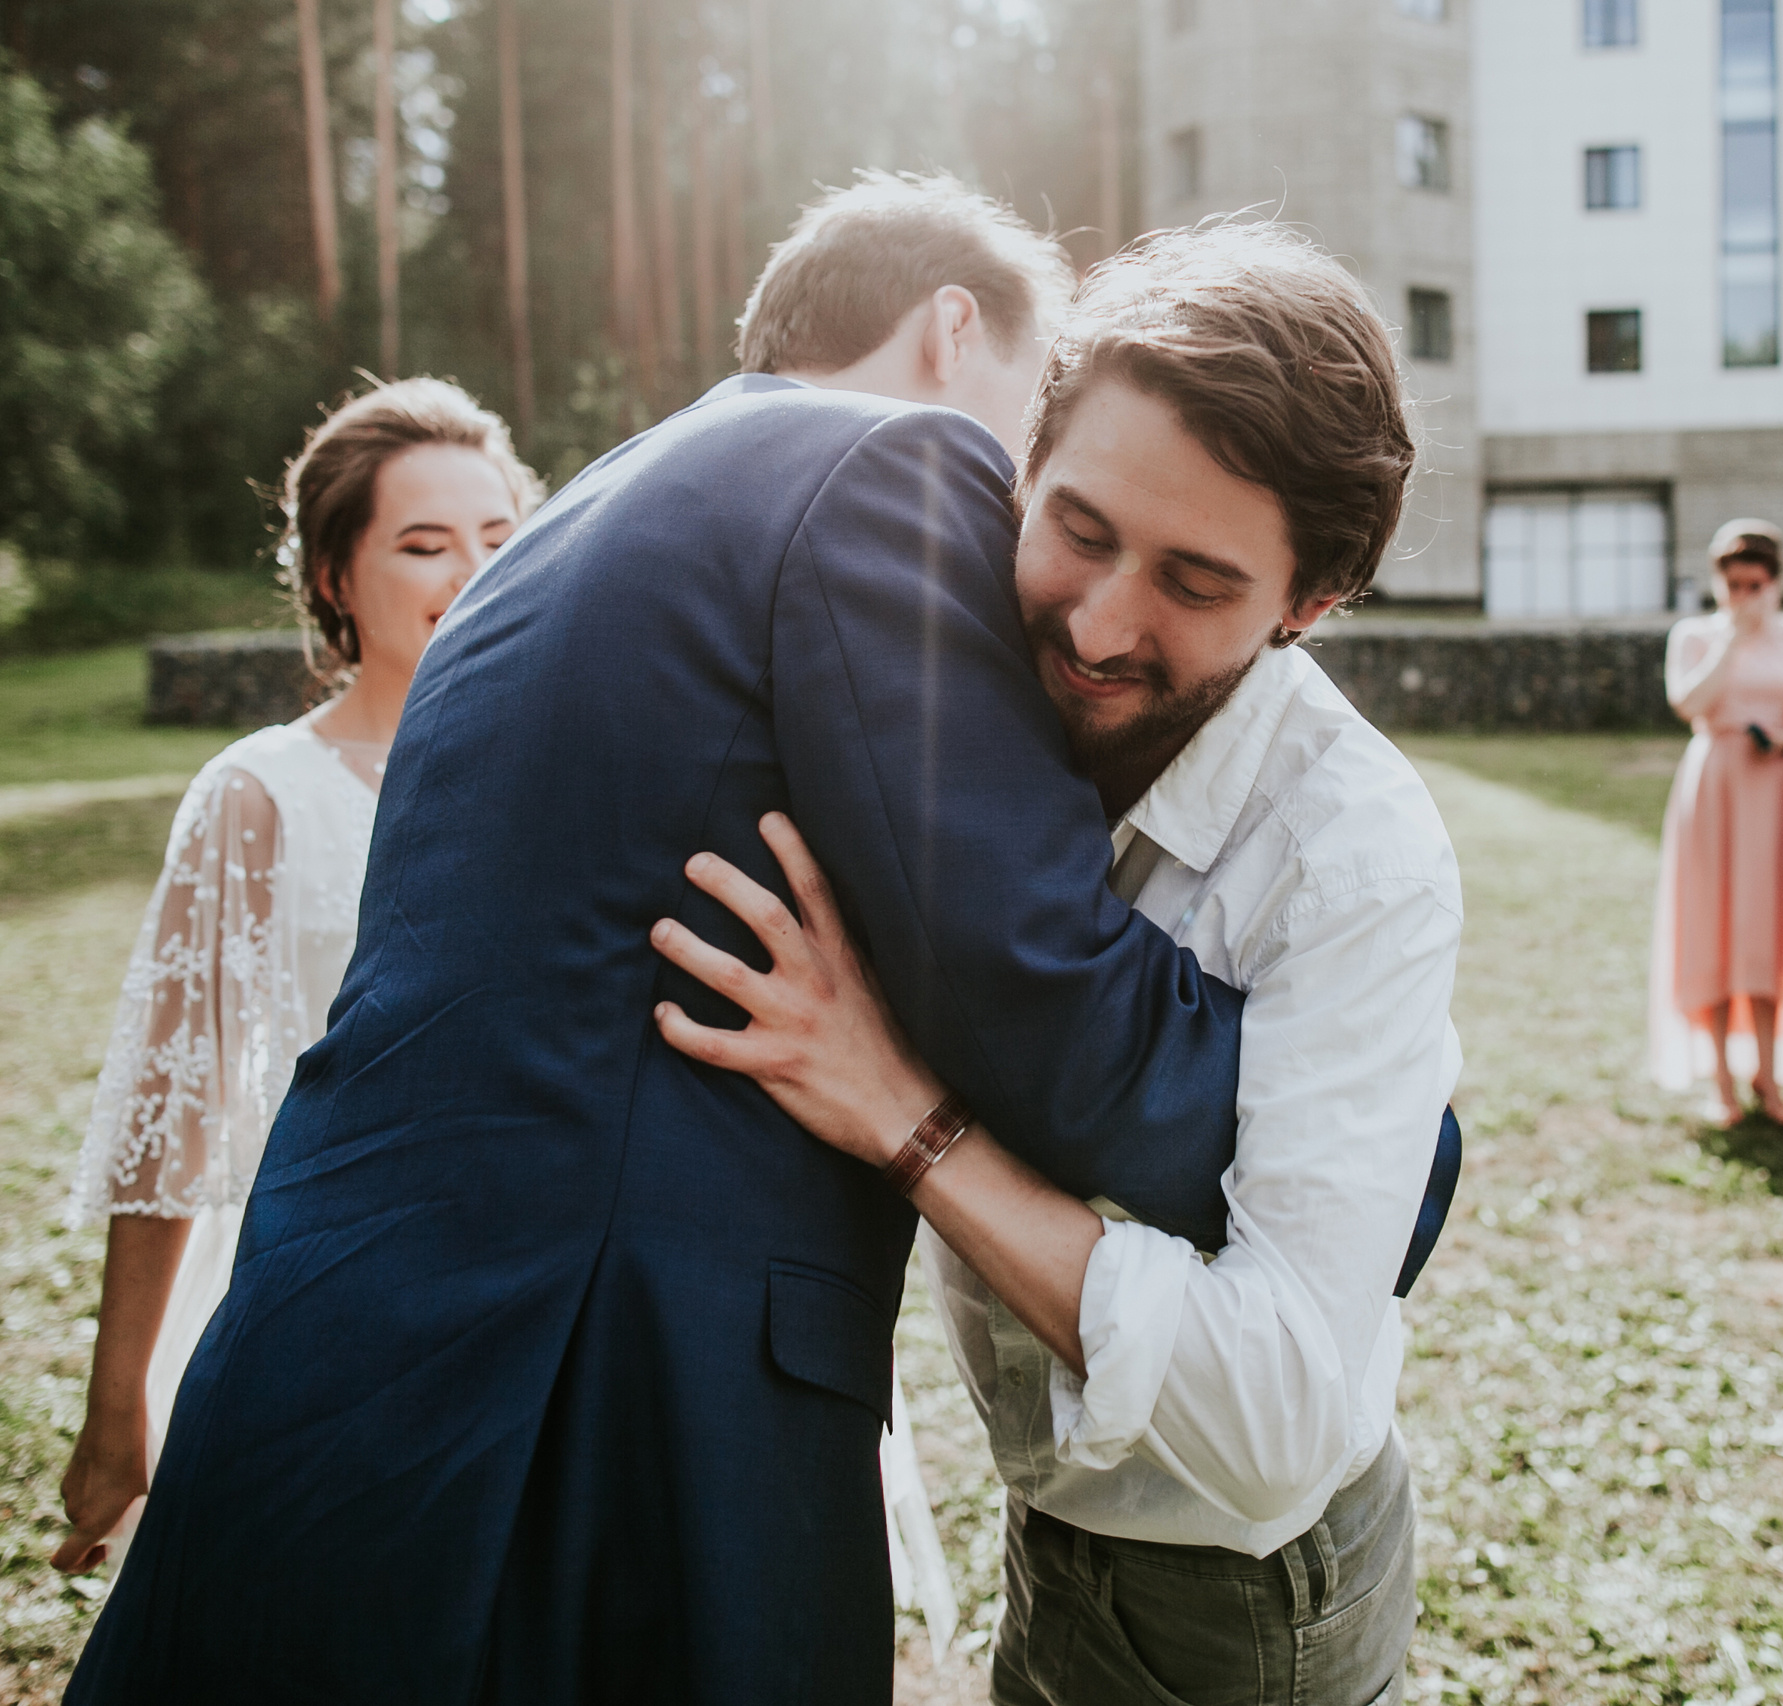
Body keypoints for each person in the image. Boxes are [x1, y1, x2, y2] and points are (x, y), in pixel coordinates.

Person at [63, 172, 1251, 1706]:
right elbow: (1034, 983)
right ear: (955, 331)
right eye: (1039, 420)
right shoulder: (894, 458)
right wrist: (1367, 1142)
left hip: (345, 1368)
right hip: (601, 1419)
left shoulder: (575, 520)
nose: (1035, 500)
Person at [654, 224, 1459, 1706]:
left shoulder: (1355, 857)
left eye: (1196, 583)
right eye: (1078, 528)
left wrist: (906, 1121)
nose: (1097, 625)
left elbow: (1275, 1410)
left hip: (1238, 1598)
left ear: (1309, 606)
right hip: (1059, 1525)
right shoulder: (955, 684)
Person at [49, 379, 541, 1576]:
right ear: (332, 577)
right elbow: (172, 1116)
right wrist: (117, 1404)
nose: (469, 571)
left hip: (529, 1302)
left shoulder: (569, 768)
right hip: (324, 1308)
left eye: (497, 538)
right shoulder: (260, 795)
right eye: (424, 544)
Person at [1651, 519, 1783, 1122]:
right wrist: (1731, 639)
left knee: (1769, 923)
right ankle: (1721, 1080)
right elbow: (1687, 704)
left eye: (1755, 583)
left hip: (1779, 782)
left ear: (1776, 581)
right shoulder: (1695, 634)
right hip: (1714, 784)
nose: (1744, 594)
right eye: (1733, 583)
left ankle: (1769, 1074)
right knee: (1711, 920)